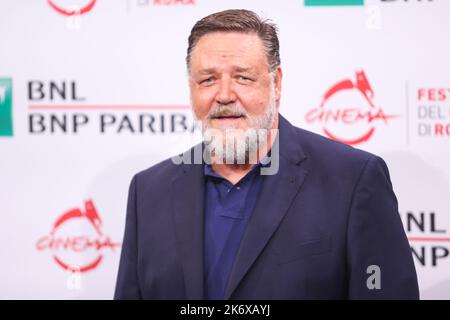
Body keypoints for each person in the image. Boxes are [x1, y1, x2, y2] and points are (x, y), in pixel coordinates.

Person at [114, 9, 419, 300]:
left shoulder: (353, 181)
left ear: (277, 84)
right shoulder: (148, 191)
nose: (223, 95)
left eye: (243, 77)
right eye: (207, 79)